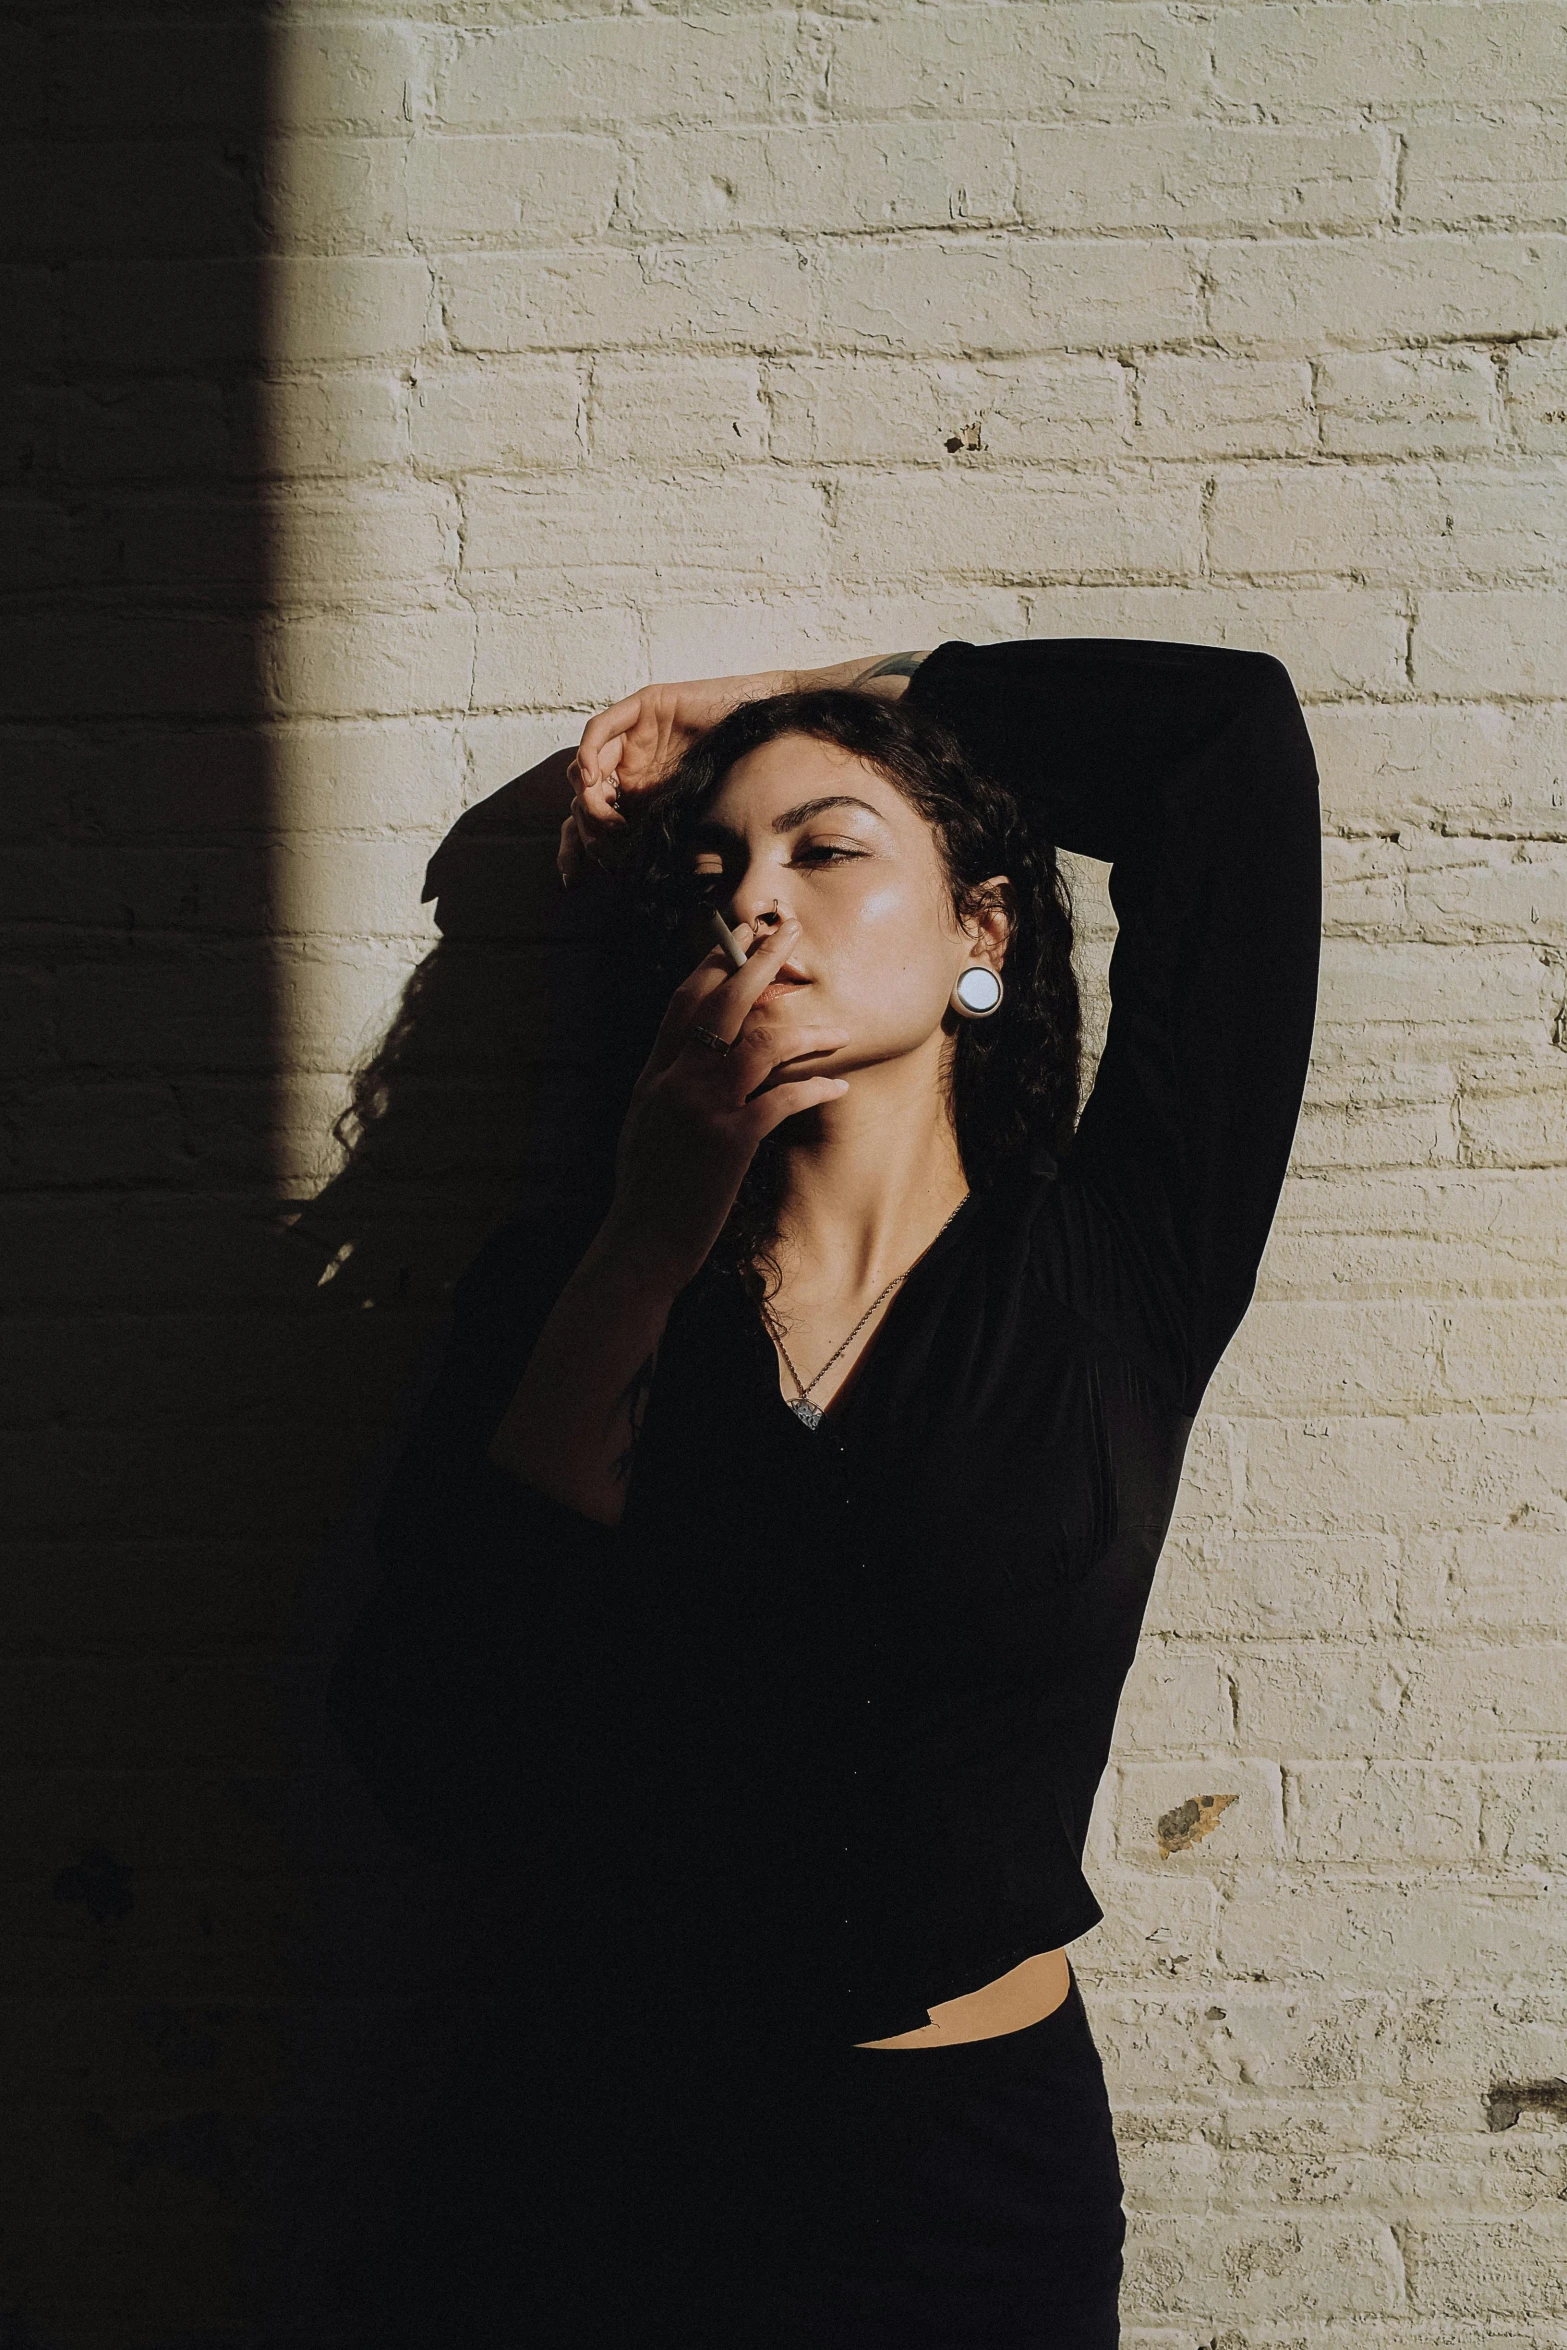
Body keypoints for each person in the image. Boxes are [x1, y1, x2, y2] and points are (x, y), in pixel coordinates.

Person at [327, 635, 1321, 2347]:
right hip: (603, 2167)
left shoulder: (1112, 1270)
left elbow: (1222, 741)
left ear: (982, 932)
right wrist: (648, 1243)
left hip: (969, 2180)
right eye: (712, 868)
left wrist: (784, 708)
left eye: (826, 847)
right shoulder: (569, 1284)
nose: (751, 904)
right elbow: (438, 1749)